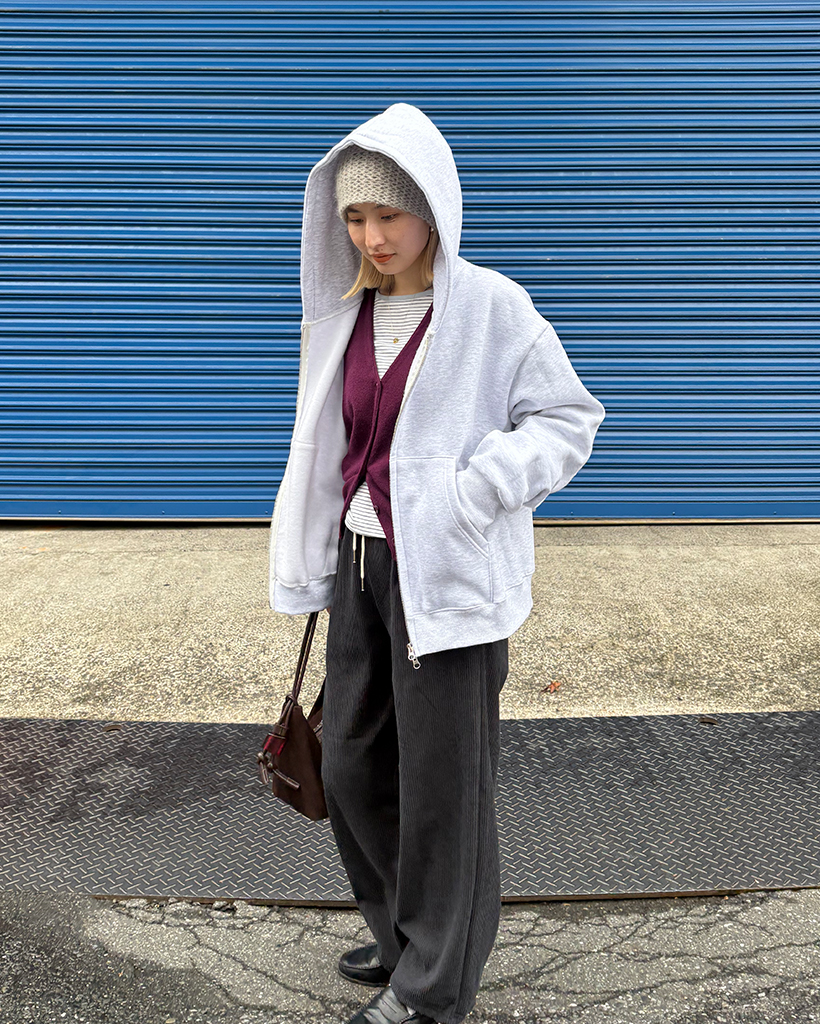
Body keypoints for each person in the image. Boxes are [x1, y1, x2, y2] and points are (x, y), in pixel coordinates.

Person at [269, 102, 606, 1024]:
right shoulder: (347, 312)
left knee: (444, 792)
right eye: (354, 217)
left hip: (448, 577)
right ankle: (405, 937)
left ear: (431, 208)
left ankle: (432, 989)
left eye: (389, 214)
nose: (372, 237)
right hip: (363, 568)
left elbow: (568, 418)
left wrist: (475, 492)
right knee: (351, 768)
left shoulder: (492, 307)